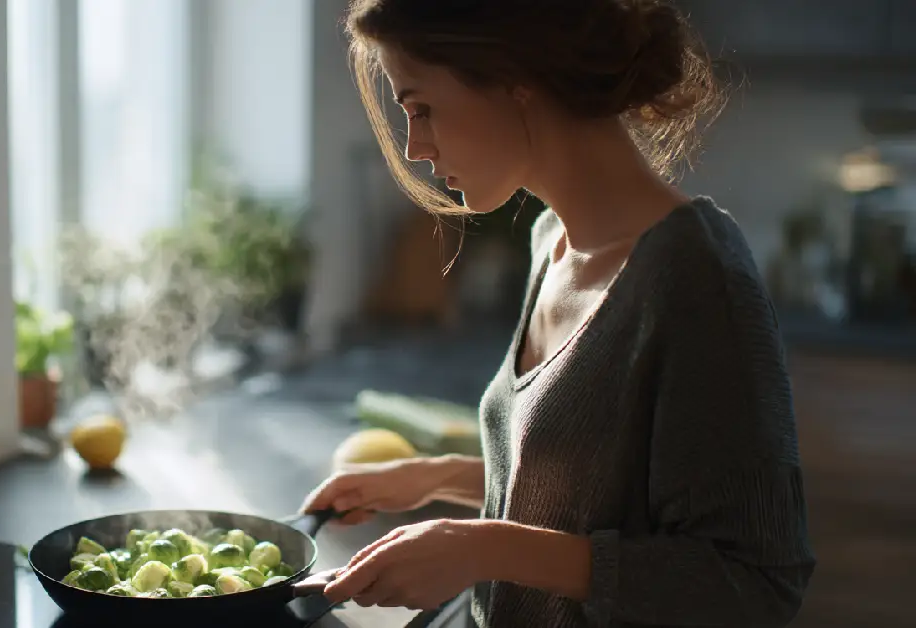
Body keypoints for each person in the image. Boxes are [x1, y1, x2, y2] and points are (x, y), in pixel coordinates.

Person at [298, 0, 817, 626]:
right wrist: (434, 478)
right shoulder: (552, 241)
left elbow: (756, 585)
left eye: (420, 107)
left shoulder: (698, 280)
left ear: (515, 78)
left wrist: (484, 546)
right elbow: (592, 496)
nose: (415, 147)